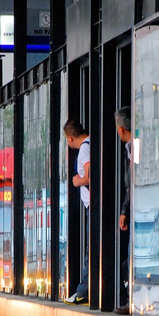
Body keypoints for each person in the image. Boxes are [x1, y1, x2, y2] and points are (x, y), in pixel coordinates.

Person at [62, 119, 91, 306]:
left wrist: (76, 181)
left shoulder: (84, 150)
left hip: (93, 207)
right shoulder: (90, 145)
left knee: (91, 250)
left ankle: (83, 291)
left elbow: (89, 176)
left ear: (70, 138)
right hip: (92, 206)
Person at [114, 107, 132, 315]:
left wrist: (125, 209)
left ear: (120, 130)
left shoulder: (133, 149)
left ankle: (132, 299)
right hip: (134, 207)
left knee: (131, 258)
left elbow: (132, 184)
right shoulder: (131, 148)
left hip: (140, 209)